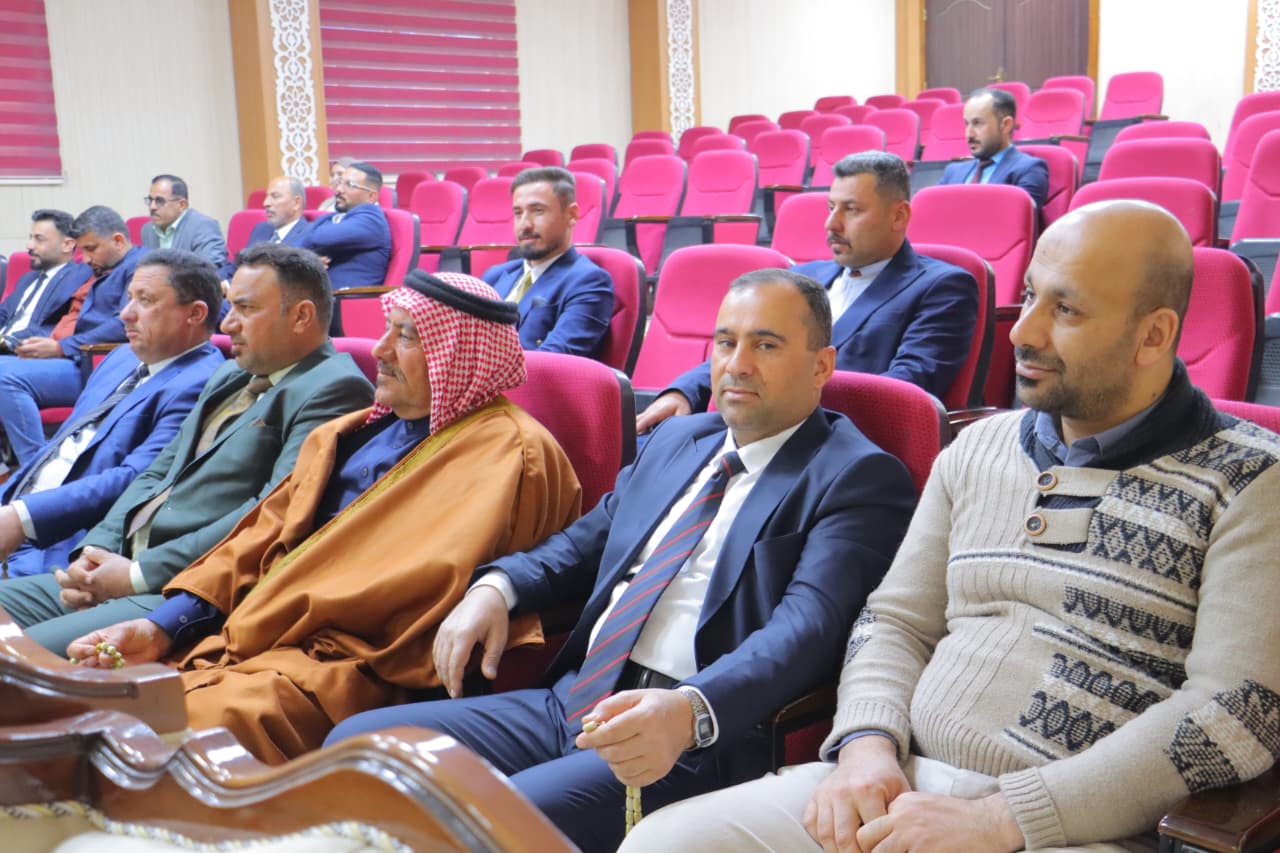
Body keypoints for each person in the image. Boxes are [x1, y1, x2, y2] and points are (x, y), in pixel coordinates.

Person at [618, 200, 1280, 853]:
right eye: (1030, 296)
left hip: (1075, 826)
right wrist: (866, 745)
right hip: (896, 779)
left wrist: (1001, 819)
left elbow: (1234, 710)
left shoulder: (1251, 478)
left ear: (1154, 335)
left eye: (1066, 310)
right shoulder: (978, 447)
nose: (1022, 331)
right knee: (663, 842)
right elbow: (894, 620)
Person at [327, 268, 918, 853]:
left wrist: (688, 710)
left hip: (688, 734)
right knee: (361, 748)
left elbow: (806, 630)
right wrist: (497, 588)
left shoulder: (857, 475)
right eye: (725, 342)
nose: (737, 364)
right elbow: (582, 545)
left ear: (821, 365)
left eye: (766, 345)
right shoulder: (678, 440)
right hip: (576, 699)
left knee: (496, 819)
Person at [68, 270, 583, 765]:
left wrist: (264, 616)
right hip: (246, 641)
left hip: (350, 670)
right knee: (87, 702)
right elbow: (257, 540)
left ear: (458, 355)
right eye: (387, 330)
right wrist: (164, 625)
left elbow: (417, 592)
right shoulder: (347, 432)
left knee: (172, 733)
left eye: (406, 337)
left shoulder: (511, 454)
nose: (379, 350)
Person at [0, 243, 374, 654]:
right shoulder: (231, 373)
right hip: (119, 566)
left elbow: (269, 513)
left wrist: (138, 574)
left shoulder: (334, 388)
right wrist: (96, 552)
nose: (227, 323)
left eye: (246, 309)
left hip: (178, 589)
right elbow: (158, 471)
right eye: (231, 306)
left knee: (13, 660)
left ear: (301, 316)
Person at [637, 151, 977, 435]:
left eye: (851, 210)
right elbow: (741, 346)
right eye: (831, 207)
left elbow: (903, 389)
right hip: (748, 426)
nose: (832, 224)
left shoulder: (942, 287)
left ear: (898, 215)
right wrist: (683, 393)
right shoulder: (803, 276)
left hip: (835, 442)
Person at [0, 249, 226, 579]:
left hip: (61, 543)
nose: (125, 314)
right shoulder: (121, 357)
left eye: (145, 301)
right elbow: (62, 445)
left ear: (195, 313)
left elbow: (134, 478)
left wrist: (23, 516)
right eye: (129, 298)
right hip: (20, 510)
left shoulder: (202, 382)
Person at [0, 206, 141, 465]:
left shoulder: (139, 268)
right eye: (82, 250)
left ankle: (36, 467)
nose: (84, 259)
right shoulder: (104, 268)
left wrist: (61, 347)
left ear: (118, 241)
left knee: (3, 376)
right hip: (74, 358)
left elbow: (124, 324)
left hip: (96, 366)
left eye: (91, 249)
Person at [482, 166, 613, 356]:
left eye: (538, 211)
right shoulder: (495, 276)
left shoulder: (589, 282)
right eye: (518, 213)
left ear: (571, 214)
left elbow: (554, 360)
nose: (525, 224)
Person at [939, 87, 1050, 212]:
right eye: (966, 124)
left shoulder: (1028, 169)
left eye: (977, 123)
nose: (969, 134)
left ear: (1006, 125)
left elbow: (1019, 218)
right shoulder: (952, 172)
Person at [0, 209, 92, 355]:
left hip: (28, 352)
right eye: (31, 238)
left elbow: (56, 326)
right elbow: (3, 313)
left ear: (67, 244)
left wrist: (9, 341)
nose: (29, 245)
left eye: (39, 239)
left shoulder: (80, 275)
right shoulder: (27, 279)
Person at [300, 160, 391, 297]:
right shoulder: (333, 217)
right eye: (340, 182)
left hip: (347, 301)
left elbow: (318, 238)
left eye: (349, 185)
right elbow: (296, 243)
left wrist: (305, 252)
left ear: (371, 196)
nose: (339, 189)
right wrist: (308, 258)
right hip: (322, 297)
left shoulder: (371, 219)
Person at [218, 176, 313, 281]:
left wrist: (229, 285)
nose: (266, 203)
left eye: (275, 196)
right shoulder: (261, 229)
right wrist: (215, 282)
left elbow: (280, 278)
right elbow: (238, 265)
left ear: (296, 203)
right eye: (267, 196)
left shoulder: (309, 235)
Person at [140, 174, 229, 269]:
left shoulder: (204, 227)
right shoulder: (147, 230)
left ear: (182, 205)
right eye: (150, 200)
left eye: (160, 201)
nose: (152, 207)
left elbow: (210, 270)